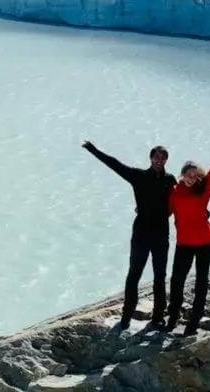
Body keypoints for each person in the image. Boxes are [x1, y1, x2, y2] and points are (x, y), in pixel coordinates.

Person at [82, 140, 176, 331]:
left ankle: (158, 316)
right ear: (150, 158)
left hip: (161, 234)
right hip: (141, 233)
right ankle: (126, 317)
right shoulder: (138, 176)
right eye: (156, 156)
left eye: (163, 157)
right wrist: (93, 149)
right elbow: (114, 164)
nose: (159, 160)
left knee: (160, 276)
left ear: (166, 160)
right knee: (134, 275)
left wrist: (202, 212)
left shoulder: (170, 180)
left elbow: (182, 198)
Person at [166, 133, 210, 336]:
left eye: (195, 176)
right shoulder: (173, 192)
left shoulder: (203, 189)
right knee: (177, 280)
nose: (192, 179)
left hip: (205, 243)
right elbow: (164, 211)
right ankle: (173, 316)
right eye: (188, 175)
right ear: (182, 175)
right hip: (184, 244)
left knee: (201, 282)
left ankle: (194, 321)